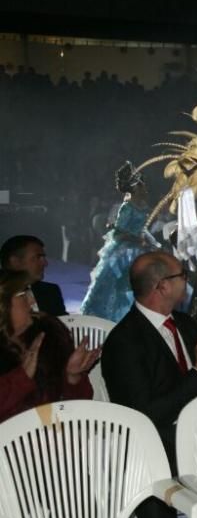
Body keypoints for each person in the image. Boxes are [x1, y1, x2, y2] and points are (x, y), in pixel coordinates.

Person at [101, 251, 197, 518]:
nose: (187, 281)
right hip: (151, 449)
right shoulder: (125, 342)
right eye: (182, 275)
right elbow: (146, 416)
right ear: (162, 286)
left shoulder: (184, 323)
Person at [0, 270, 100, 423]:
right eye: (22, 294)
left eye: (30, 292)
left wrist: (72, 376)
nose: (32, 301)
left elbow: (80, 404)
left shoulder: (49, 332)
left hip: (57, 438)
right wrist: (21, 378)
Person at [81, 162, 160, 322]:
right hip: (126, 251)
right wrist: (137, 239)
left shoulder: (142, 205)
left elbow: (141, 228)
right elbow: (119, 233)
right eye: (142, 185)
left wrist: (147, 239)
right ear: (136, 187)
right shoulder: (127, 207)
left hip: (140, 246)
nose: (145, 188)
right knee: (121, 284)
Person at [0, 235, 67, 316]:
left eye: (43, 258)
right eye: (38, 257)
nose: (45, 263)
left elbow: (62, 325)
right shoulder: (2, 292)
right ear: (16, 262)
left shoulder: (51, 292)